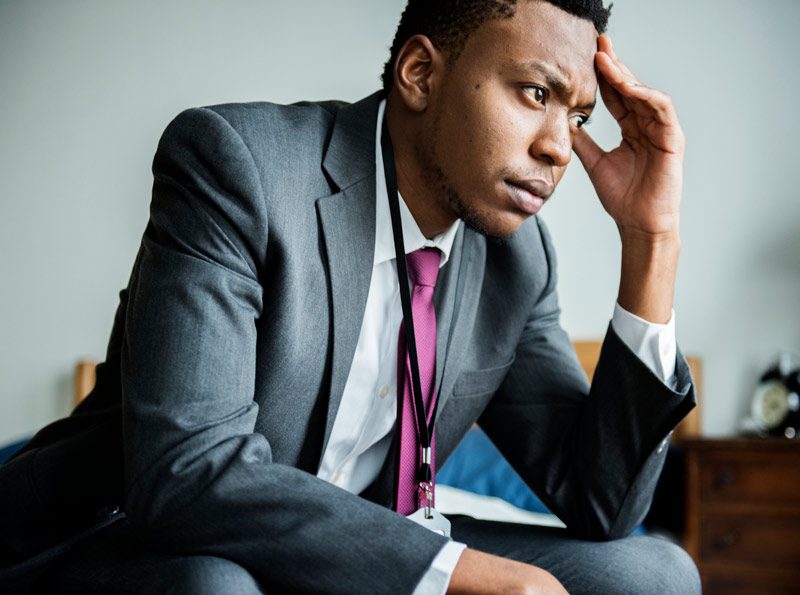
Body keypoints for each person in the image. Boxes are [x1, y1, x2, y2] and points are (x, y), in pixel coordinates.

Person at [0, 0, 701, 593]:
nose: (558, 147)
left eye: (578, 116)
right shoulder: (236, 165)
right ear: (421, 73)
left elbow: (602, 500)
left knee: (654, 573)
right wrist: (452, 572)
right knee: (214, 585)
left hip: (360, 542)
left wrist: (652, 242)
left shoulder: (517, 259)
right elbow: (186, 474)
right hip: (137, 535)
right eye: (536, 93)